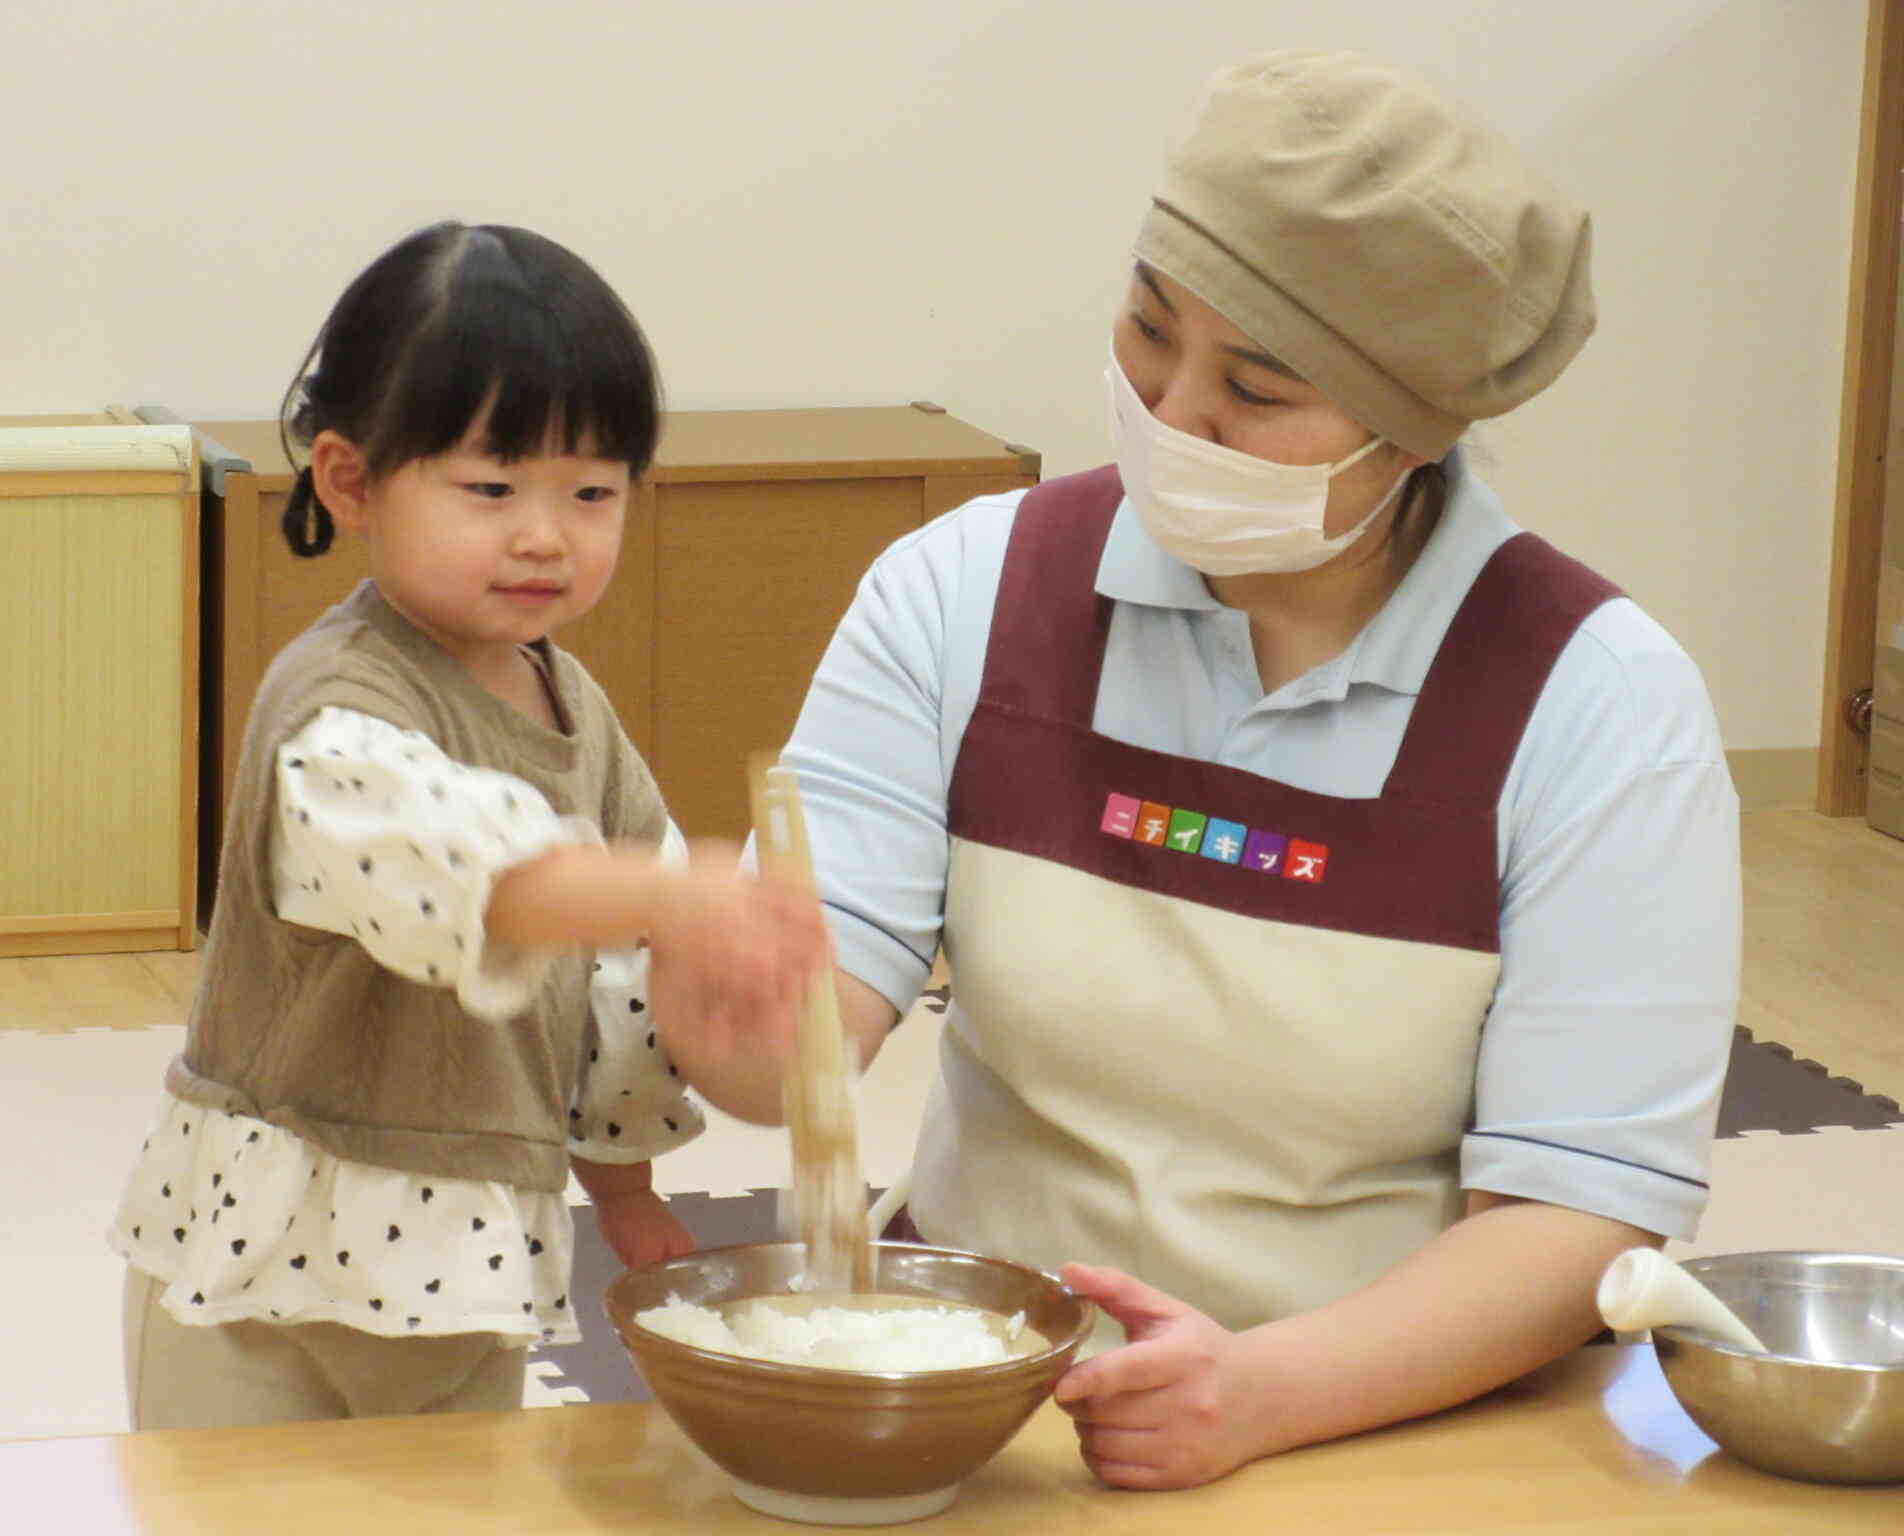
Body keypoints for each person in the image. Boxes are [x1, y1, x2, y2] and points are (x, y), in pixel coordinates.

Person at [682, 52, 1741, 1488]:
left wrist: (1255, 1393)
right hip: (972, 1396)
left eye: (1256, 387)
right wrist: (718, 990)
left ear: (1412, 426)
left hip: (1386, 1420)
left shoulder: (1599, 707)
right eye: (1146, 328)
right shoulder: (964, 594)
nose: (1174, 418)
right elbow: (801, 1043)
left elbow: (1576, 1219)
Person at [109, 221, 825, 1430]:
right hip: (264, 1263)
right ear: (350, 482)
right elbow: (477, 872)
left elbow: (601, 993)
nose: (545, 533)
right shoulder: (335, 701)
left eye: (590, 491)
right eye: (491, 489)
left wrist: (626, 1182)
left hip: (469, 1255)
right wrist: (667, 896)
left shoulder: (573, 707)